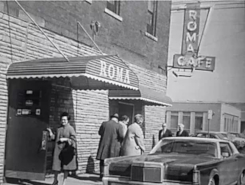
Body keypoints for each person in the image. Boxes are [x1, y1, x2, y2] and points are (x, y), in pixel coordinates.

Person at [47, 112, 77, 185]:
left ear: (68, 120)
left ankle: (64, 182)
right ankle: (55, 180)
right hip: (58, 149)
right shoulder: (58, 128)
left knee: (66, 167)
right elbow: (54, 137)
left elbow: (73, 140)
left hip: (66, 150)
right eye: (62, 120)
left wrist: (65, 139)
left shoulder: (70, 128)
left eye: (65, 120)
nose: (63, 121)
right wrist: (51, 133)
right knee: (56, 166)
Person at [96, 113, 124, 178]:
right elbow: (121, 136)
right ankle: (110, 175)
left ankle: (102, 174)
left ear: (111, 117)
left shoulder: (104, 123)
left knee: (102, 160)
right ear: (117, 119)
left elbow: (100, 133)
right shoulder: (119, 125)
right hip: (113, 146)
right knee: (112, 161)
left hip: (104, 145)